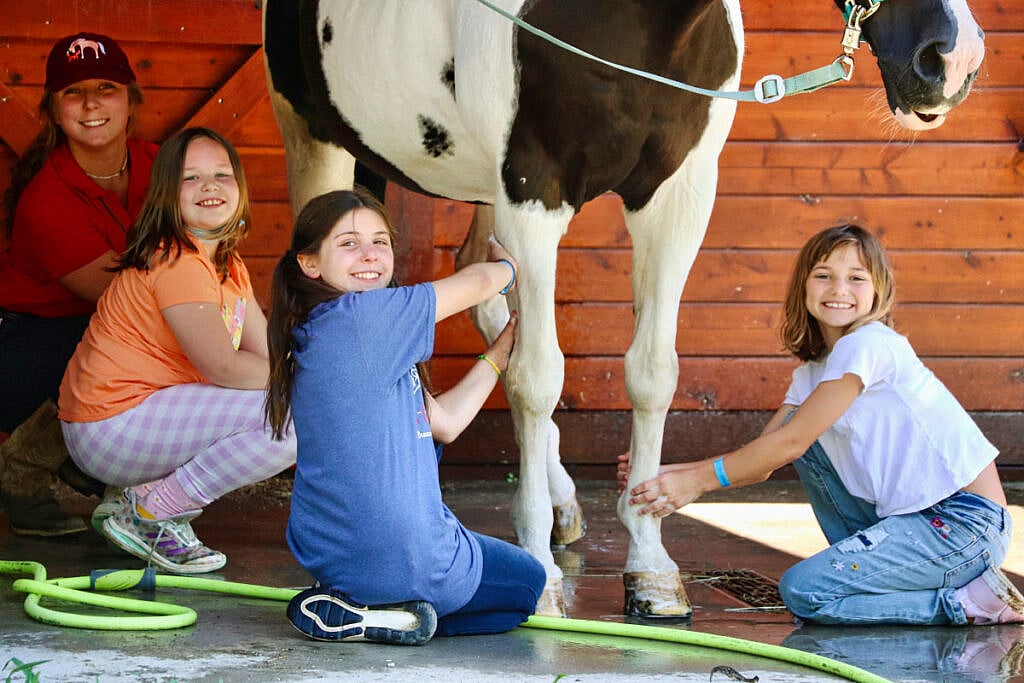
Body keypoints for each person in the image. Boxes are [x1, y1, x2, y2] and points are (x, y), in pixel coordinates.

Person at [620, 224, 1023, 626]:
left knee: (806, 591)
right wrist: (670, 476)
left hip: (963, 524)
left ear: (877, 291)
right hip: (908, 522)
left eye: (856, 278)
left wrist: (696, 482)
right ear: (804, 287)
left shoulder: (870, 344)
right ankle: (897, 574)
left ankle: (968, 604)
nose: (839, 289)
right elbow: (762, 459)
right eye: (824, 275)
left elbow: (790, 443)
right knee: (803, 440)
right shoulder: (813, 373)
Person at [265, 188, 545, 645]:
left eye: (380, 241)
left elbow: (445, 422)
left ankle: (365, 607)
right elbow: (478, 284)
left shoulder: (319, 331)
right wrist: (511, 266)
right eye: (349, 243)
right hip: (407, 555)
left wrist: (496, 357)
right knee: (526, 584)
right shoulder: (364, 316)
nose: (369, 255)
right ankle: (392, 615)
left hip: (332, 558)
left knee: (482, 565)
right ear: (310, 263)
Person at [59, 127, 295, 574]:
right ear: (167, 193)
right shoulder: (178, 260)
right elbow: (224, 366)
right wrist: (303, 380)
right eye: (191, 178)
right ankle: (153, 512)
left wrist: (295, 372)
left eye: (222, 174)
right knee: (291, 419)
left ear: (241, 189)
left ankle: (140, 498)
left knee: (292, 399)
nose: (209, 186)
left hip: (121, 422)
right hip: (108, 427)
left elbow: (266, 352)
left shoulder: (225, 262)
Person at [0, 32, 158, 537]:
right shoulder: (47, 198)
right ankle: (21, 470)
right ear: (53, 109)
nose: (91, 102)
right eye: (73, 91)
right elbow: (130, 303)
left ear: (130, 101)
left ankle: (94, 466)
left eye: (105, 87)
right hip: (27, 351)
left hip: (93, 336)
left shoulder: (163, 165)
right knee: (143, 340)